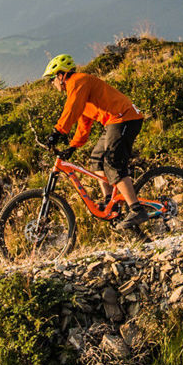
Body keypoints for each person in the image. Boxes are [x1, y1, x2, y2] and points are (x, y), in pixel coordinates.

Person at [40, 54, 149, 232]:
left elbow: (72, 109)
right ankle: (110, 202)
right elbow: (83, 122)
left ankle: (136, 209)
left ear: (60, 75)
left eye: (51, 79)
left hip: (124, 118)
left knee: (114, 163)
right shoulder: (78, 88)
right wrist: (73, 146)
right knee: (97, 158)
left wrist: (57, 132)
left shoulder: (77, 81)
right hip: (115, 121)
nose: (51, 84)